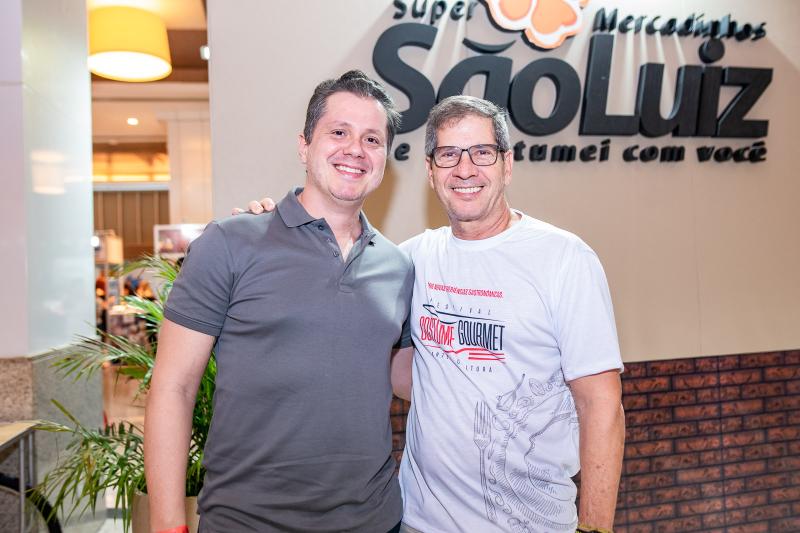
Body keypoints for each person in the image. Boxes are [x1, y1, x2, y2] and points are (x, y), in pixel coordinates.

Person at [246, 95, 625, 533]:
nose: (465, 169)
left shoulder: (564, 259)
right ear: (430, 171)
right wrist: (272, 231)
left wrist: (595, 529)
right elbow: (356, 322)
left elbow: (601, 405)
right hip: (418, 521)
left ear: (507, 164)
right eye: (448, 155)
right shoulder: (410, 260)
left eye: (482, 152)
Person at [145, 70, 414, 533]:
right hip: (247, 522)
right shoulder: (230, 243)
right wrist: (169, 525)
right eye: (339, 132)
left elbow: (402, 376)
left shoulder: (398, 266)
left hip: (373, 520)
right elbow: (174, 388)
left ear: (384, 159)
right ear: (304, 146)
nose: (355, 149)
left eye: (372, 139)